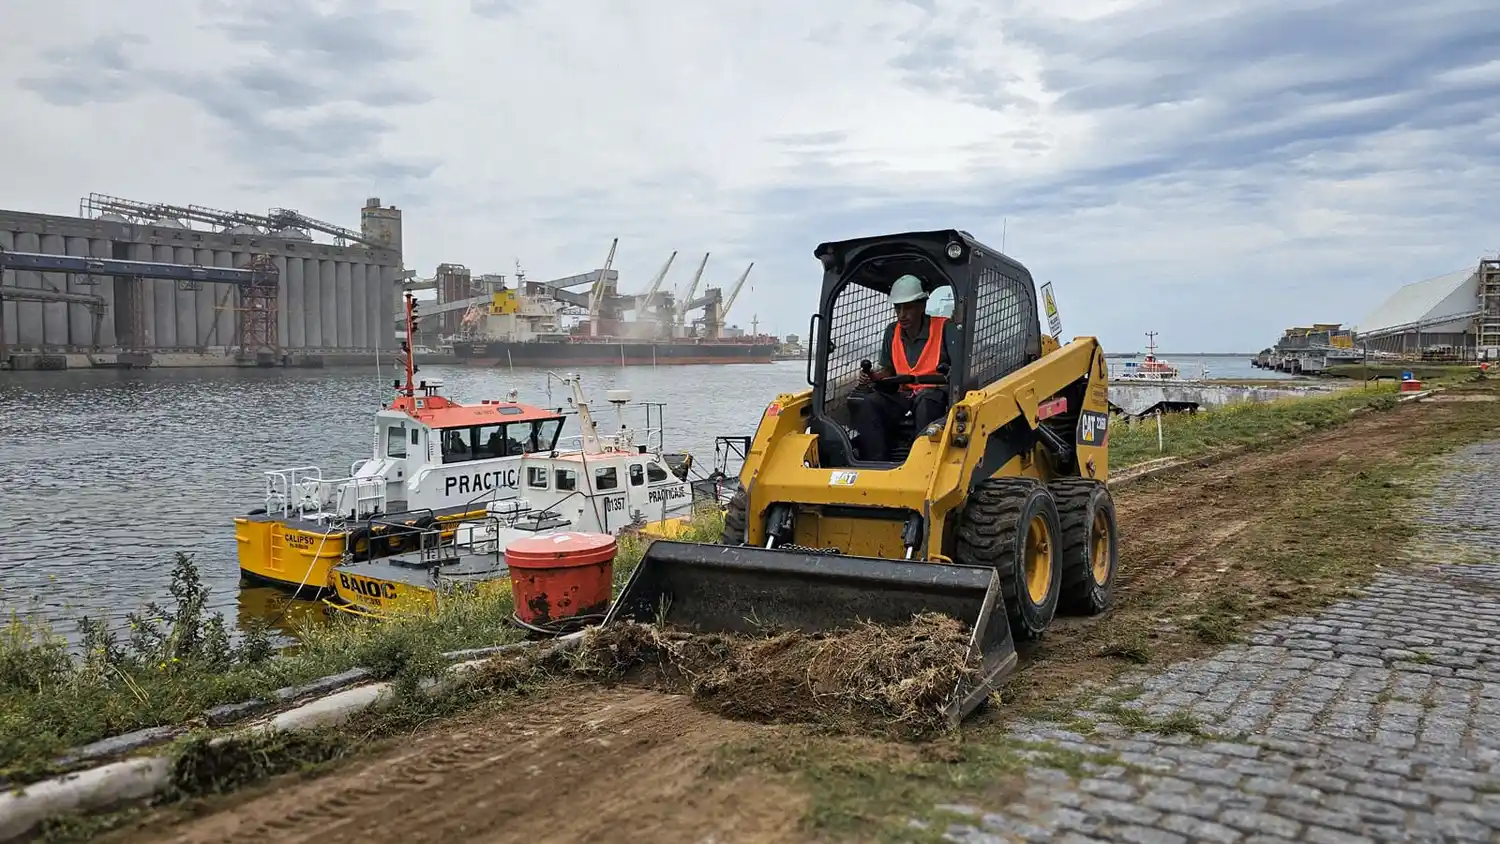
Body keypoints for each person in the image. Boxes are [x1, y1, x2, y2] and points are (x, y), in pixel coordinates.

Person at [848, 274, 951, 461]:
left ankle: (924, 462)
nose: (902, 314)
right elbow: (888, 370)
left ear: (922, 306)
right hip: (903, 395)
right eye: (898, 308)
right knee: (869, 402)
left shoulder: (944, 328)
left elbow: (955, 371)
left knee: (926, 400)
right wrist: (873, 376)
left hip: (934, 395)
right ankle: (876, 462)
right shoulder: (891, 331)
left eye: (908, 307)